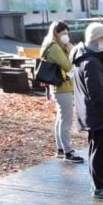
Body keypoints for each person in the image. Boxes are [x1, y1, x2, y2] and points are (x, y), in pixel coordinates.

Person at [70, 22, 103, 201]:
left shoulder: (89, 56)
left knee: (97, 149)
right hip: (99, 115)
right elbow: (97, 94)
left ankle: (99, 182)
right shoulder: (91, 61)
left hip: (94, 114)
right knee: (100, 151)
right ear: (96, 39)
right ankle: (100, 186)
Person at [41, 21, 83, 163]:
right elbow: (68, 65)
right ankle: (68, 151)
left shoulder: (52, 45)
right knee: (66, 119)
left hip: (59, 87)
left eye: (67, 33)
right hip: (62, 87)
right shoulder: (54, 47)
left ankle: (60, 149)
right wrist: (71, 50)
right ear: (56, 33)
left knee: (61, 118)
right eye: (63, 33)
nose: (66, 36)